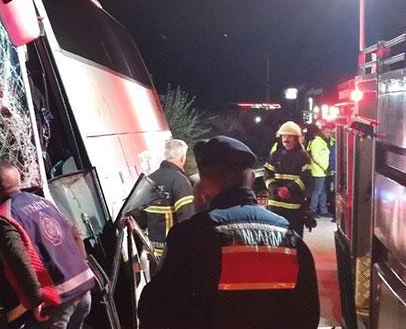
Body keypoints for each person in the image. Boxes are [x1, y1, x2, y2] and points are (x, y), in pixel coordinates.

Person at [138, 136, 320, 328]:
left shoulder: (190, 237)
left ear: (204, 183)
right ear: (251, 179)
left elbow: (153, 312)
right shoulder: (289, 238)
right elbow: (308, 316)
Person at [0, 161, 95, 328]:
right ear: (19, 180)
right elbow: (73, 232)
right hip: (83, 290)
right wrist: (82, 262)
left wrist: (35, 299)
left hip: (57, 300)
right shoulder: (43, 202)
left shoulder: (4, 217)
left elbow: (19, 259)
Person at [130, 139, 195, 256]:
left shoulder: (148, 180)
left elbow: (136, 218)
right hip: (174, 254)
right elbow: (188, 220)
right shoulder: (180, 181)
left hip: (153, 255)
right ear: (182, 157)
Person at [264, 121, 314, 237]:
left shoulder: (303, 156)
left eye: (289, 136)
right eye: (284, 136)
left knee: (293, 239)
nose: (286, 139)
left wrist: (289, 190)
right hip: (275, 206)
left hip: (294, 208)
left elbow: (306, 178)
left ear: (296, 138)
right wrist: (275, 189)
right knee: (274, 239)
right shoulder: (275, 154)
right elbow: (267, 174)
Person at [307, 123, 334, 217]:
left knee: (323, 192)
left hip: (323, 172)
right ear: (322, 131)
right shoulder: (317, 142)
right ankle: (312, 210)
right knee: (317, 191)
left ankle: (323, 211)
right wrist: (325, 168)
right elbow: (315, 157)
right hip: (318, 171)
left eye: (330, 132)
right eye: (327, 132)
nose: (329, 134)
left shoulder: (325, 141)